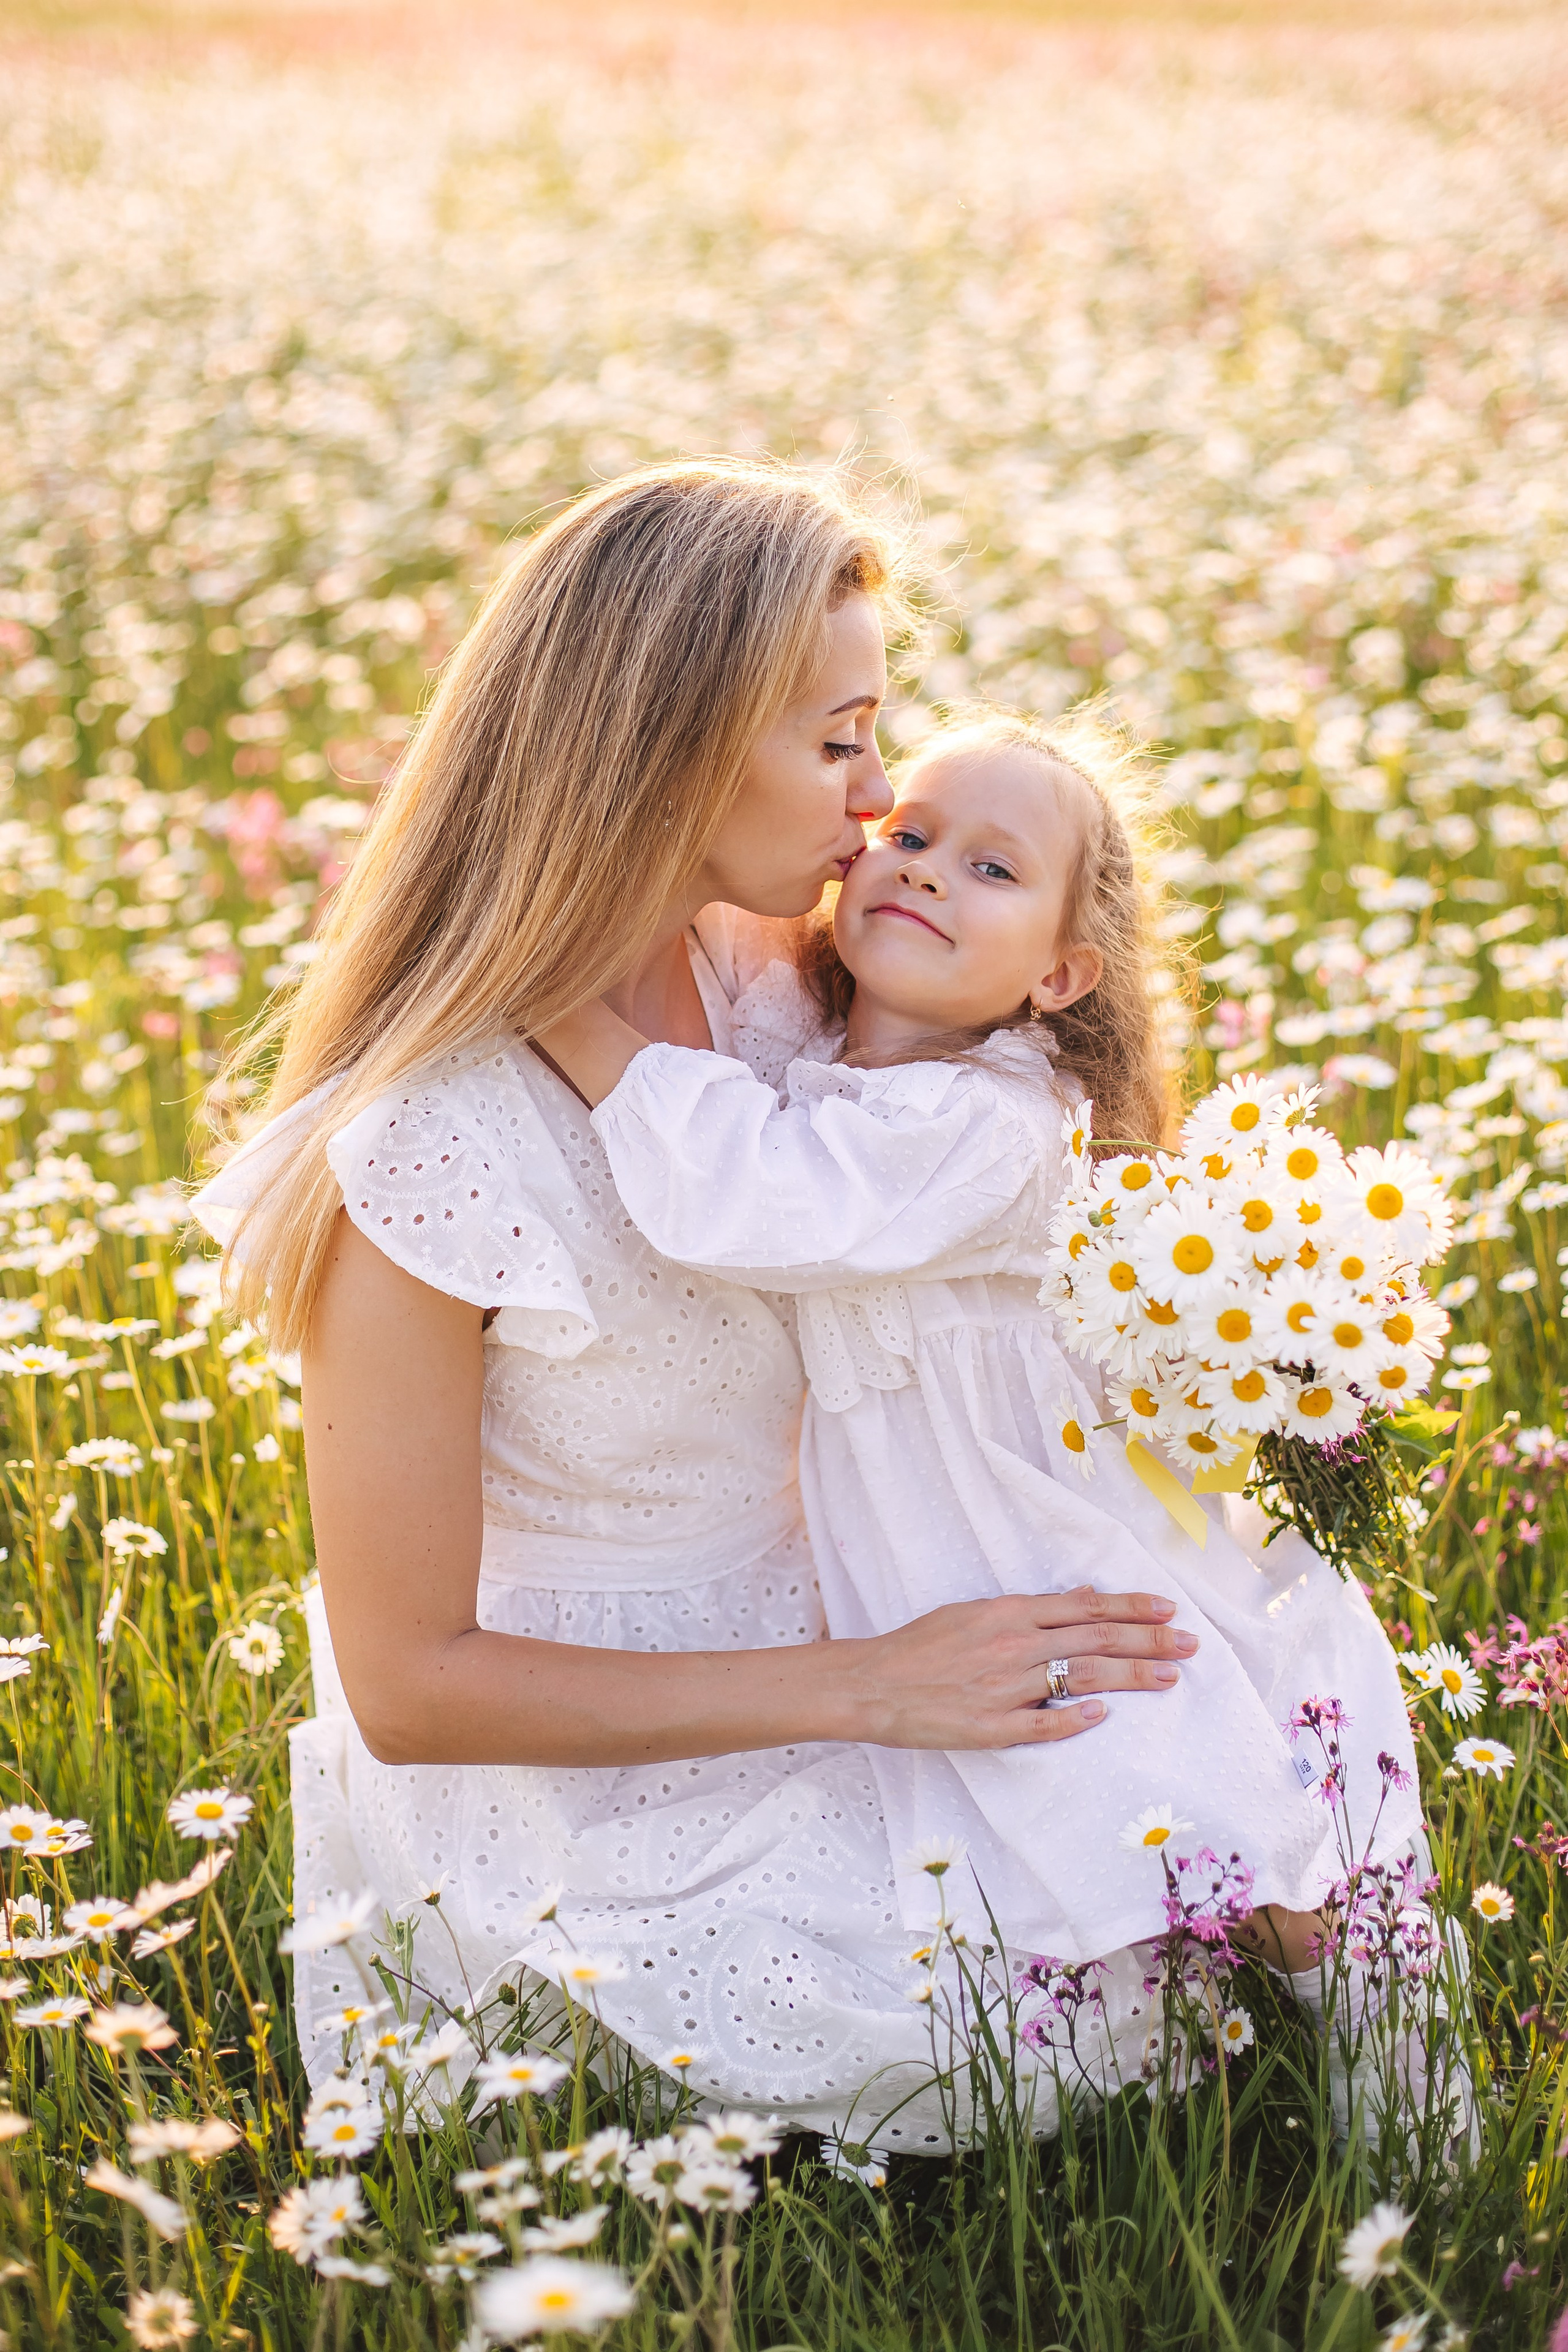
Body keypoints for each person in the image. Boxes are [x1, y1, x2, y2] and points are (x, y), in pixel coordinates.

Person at [190, 459, 1196, 2153]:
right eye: (839, 739)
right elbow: (412, 1686)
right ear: (667, 747)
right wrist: (872, 1688)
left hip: (852, 1635)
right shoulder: (431, 1145)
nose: (881, 798)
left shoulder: (782, 988)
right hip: (589, 1776)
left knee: (1182, 1869)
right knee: (1000, 2027)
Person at [531, 714, 1428, 1980]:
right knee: (1078, 1802)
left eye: (991, 869)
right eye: (909, 836)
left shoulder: (993, 1123)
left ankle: (1362, 2025)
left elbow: (760, 1192)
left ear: (1058, 976)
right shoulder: (831, 1053)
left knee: (1184, 1774)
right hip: (934, 1531)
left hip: (1033, 1523)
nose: (926, 869)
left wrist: (562, 1006)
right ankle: (1206, 2009)